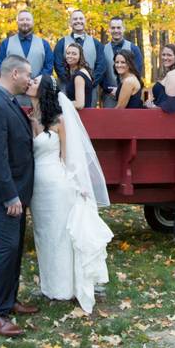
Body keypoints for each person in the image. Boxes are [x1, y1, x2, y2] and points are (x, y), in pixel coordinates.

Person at [28, 75, 112, 314]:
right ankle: (50, 285)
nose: (30, 83)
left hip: (57, 185)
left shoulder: (59, 120)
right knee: (44, 235)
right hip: (37, 188)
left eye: (34, 81)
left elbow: (68, 157)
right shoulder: (30, 116)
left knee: (60, 235)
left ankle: (65, 287)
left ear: (43, 90)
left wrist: (77, 185)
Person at [0, 55, 40, 338]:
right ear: (15, 73)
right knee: (5, 251)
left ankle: (10, 299)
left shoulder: (12, 101)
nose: (29, 80)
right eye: (27, 75)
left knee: (14, 250)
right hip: (4, 194)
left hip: (18, 192)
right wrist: (10, 196)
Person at [0, 11, 54, 107]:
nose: (25, 22)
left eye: (28, 19)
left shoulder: (44, 44)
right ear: (17, 22)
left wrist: (34, 82)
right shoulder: (6, 43)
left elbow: (49, 66)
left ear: (32, 22)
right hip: (13, 92)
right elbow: (0, 66)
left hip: (37, 92)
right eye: (22, 19)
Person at [53, 10, 105, 100]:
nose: (78, 21)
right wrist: (70, 83)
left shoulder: (96, 43)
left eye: (81, 18)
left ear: (85, 21)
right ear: (70, 22)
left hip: (90, 89)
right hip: (66, 87)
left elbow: (101, 65)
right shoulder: (61, 43)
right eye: (75, 19)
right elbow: (58, 65)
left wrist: (91, 82)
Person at [100, 17, 143, 107]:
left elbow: (137, 71)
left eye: (118, 27)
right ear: (109, 29)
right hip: (109, 96)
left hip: (129, 94)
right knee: (110, 119)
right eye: (113, 28)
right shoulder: (103, 49)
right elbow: (101, 73)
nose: (116, 30)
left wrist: (122, 89)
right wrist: (109, 89)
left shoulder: (134, 48)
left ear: (123, 29)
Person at [146, 44, 175, 113]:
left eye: (169, 55)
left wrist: (152, 106)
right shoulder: (170, 72)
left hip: (166, 120)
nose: (165, 58)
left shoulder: (174, 74)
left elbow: (171, 106)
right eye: (163, 55)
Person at [63, 42, 94, 110]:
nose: (70, 56)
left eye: (74, 54)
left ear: (80, 56)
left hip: (82, 117)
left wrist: (61, 103)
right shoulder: (76, 72)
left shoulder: (79, 76)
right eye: (68, 53)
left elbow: (79, 104)